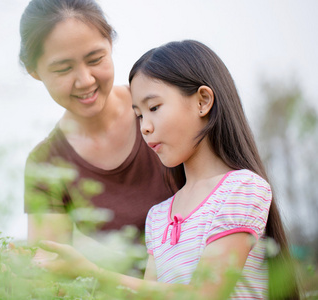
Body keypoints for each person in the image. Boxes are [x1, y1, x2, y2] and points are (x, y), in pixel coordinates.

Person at [37, 40, 300, 299]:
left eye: (154, 108)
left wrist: (95, 274)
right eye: (139, 115)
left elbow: (204, 295)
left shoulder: (242, 189)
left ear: (203, 101)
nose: (144, 127)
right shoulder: (158, 216)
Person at [20, 0, 177, 266]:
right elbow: (50, 268)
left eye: (95, 59)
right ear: (34, 72)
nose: (86, 80)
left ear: (111, 45)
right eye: (63, 69)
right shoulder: (47, 163)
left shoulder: (164, 108)